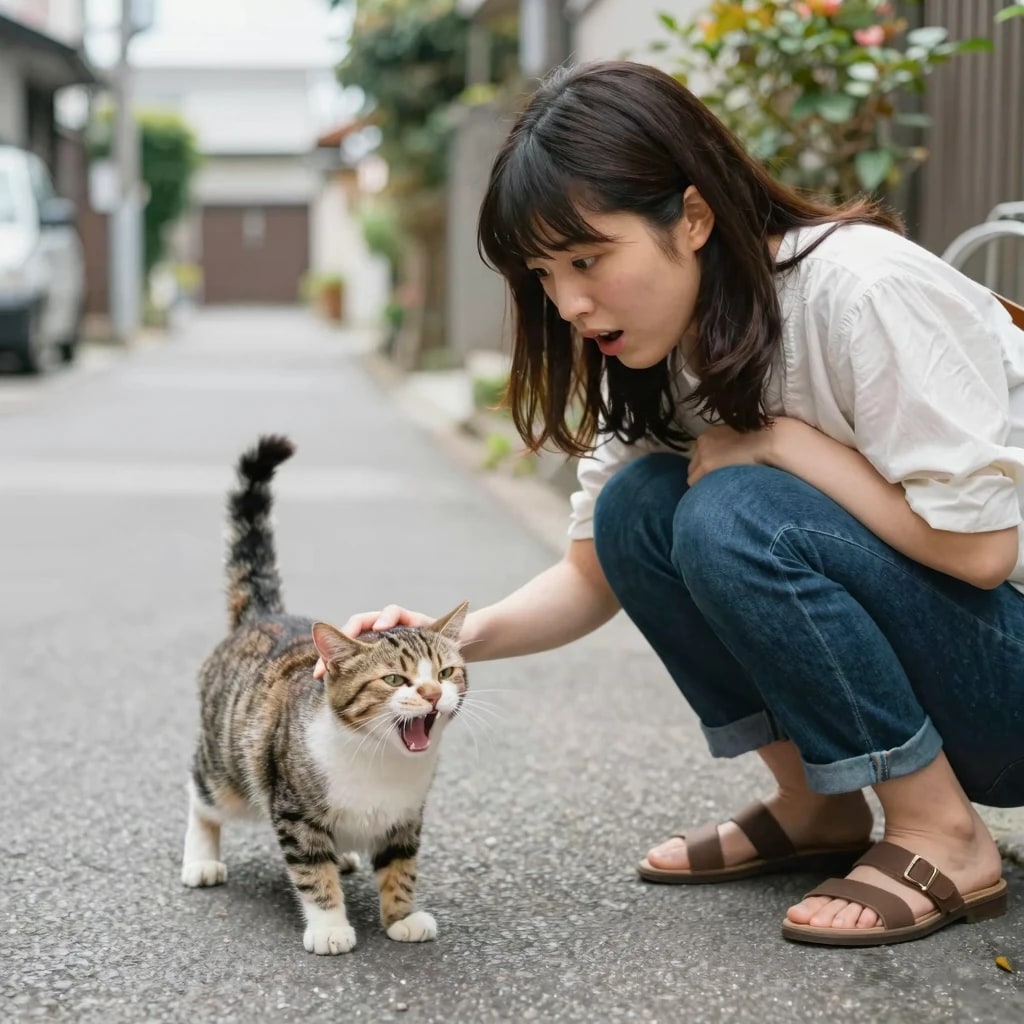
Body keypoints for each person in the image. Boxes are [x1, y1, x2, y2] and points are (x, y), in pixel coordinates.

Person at [316, 60, 1024, 948]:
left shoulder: (862, 289)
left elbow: (983, 552)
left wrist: (782, 443)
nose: (570, 302)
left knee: (730, 508)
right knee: (638, 510)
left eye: (587, 258)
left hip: (1008, 676)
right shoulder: (666, 348)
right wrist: (441, 644)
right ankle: (820, 803)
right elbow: (592, 571)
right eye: (544, 272)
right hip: (966, 666)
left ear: (692, 217)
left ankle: (943, 835)